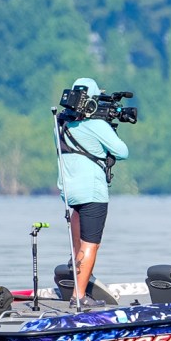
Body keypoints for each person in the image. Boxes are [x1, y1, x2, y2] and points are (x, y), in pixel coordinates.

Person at [55, 77, 130, 308]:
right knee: (91, 244)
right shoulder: (96, 126)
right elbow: (122, 151)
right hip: (92, 191)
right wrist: (105, 127)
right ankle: (78, 297)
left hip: (69, 190)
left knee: (79, 239)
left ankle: (77, 270)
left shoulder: (61, 124)